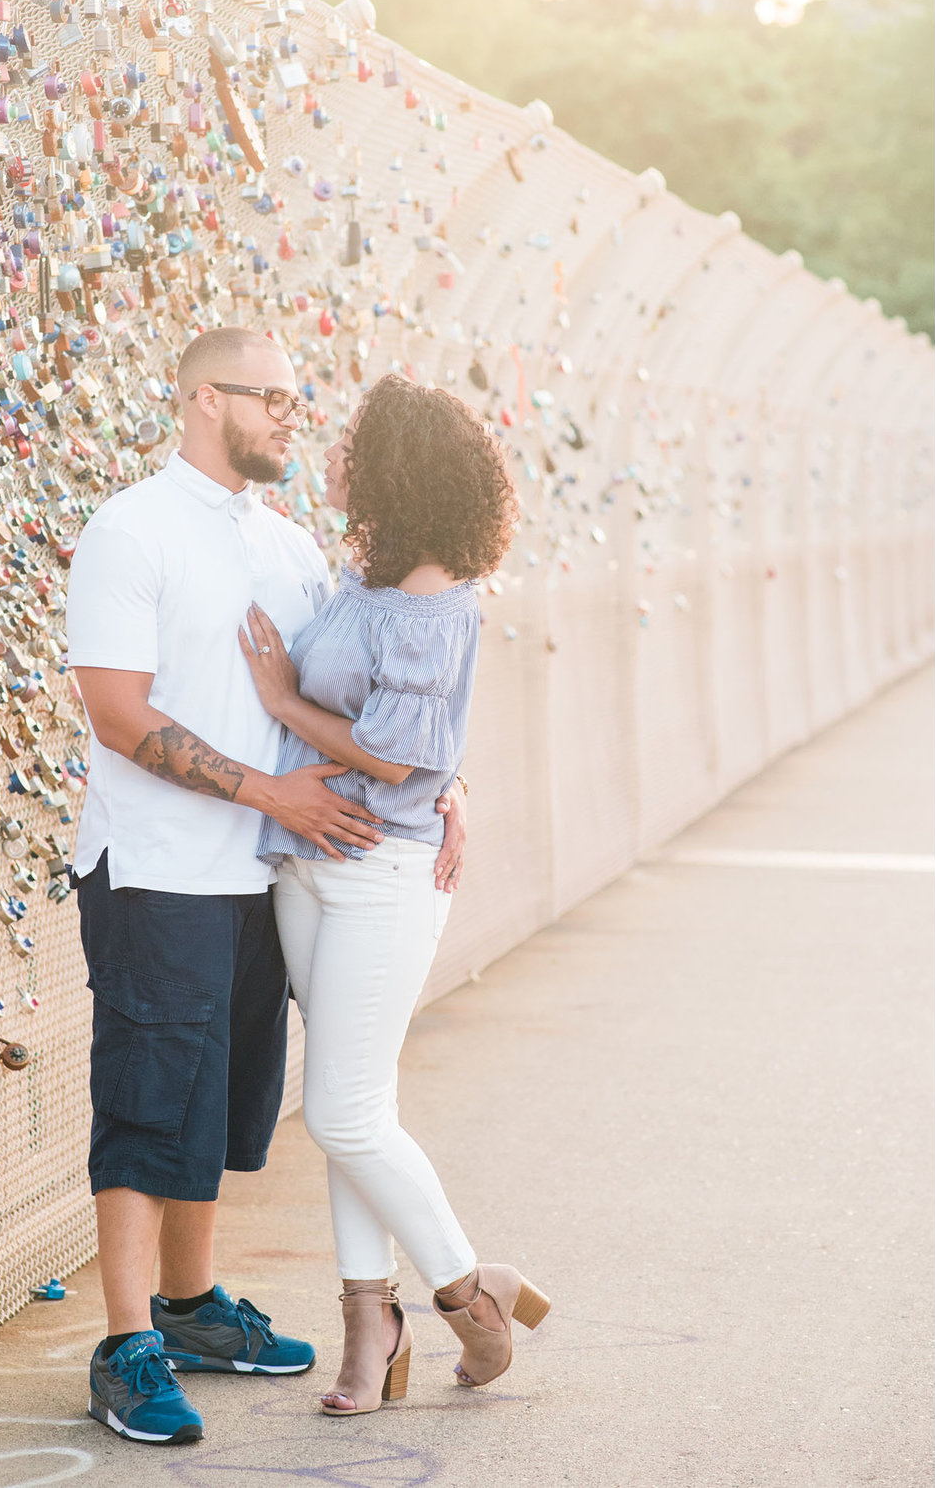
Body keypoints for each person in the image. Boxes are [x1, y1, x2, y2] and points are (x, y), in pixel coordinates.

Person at [66, 326, 384, 1444]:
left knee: (224, 1104)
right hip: (157, 870)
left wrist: (437, 789)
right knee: (150, 1107)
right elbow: (117, 711)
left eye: (300, 401)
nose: (294, 417)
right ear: (204, 399)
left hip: (262, 877)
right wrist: (269, 794)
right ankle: (124, 1347)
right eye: (273, 399)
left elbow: (340, 696)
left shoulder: (289, 544)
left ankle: (193, 1311)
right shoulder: (130, 530)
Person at [236, 374, 548, 1417]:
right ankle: (369, 1322)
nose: (331, 455)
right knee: (352, 1109)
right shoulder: (370, 580)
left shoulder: (430, 594)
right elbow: (417, 749)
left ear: (395, 468)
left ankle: (469, 1293)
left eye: (354, 444)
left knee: (340, 1107)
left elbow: (401, 756)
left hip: (380, 868)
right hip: (305, 859)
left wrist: (280, 699)